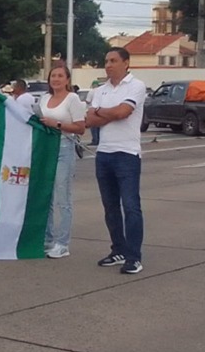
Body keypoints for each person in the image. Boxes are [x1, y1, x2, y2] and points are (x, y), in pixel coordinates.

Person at [86, 47, 146, 275]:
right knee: (110, 207)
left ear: (126, 63)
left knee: (131, 207)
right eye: (106, 61)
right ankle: (118, 249)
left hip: (127, 154)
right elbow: (90, 120)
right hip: (104, 154)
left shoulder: (136, 86)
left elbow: (124, 112)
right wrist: (109, 112)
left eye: (113, 60)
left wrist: (102, 112)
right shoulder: (100, 90)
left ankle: (134, 257)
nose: (108, 65)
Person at [39, 63, 90, 259]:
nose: (56, 79)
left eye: (60, 76)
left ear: (67, 79)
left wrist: (57, 124)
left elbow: (80, 128)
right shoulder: (44, 98)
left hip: (63, 148)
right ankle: (47, 239)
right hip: (45, 149)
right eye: (53, 76)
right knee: (46, 196)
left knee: (63, 198)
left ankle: (62, 243)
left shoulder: (72, 99)